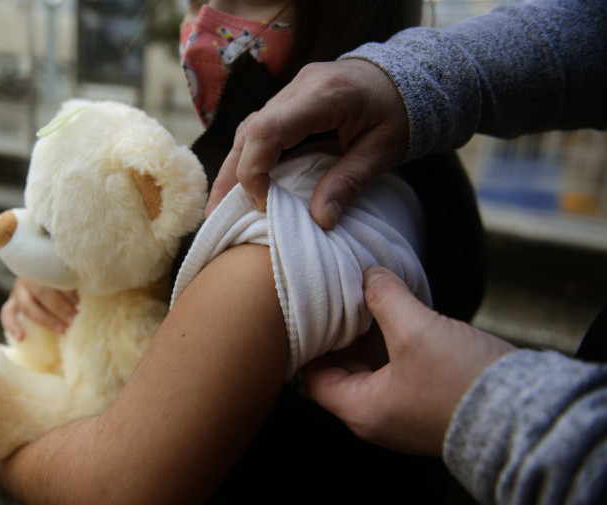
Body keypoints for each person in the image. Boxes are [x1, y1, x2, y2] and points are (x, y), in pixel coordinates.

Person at [0, 1, 487, 503]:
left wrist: (3, 436)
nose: (205, 18)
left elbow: (114, 486)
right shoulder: (419, 154)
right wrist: (67, 267)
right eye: (195, 2)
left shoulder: (283, 237)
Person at [205, 0, 607, 502]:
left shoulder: (273, 243)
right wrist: (414, 75)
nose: (204, 17)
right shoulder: (435, 169)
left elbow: (117, 483)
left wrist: (484, 404)